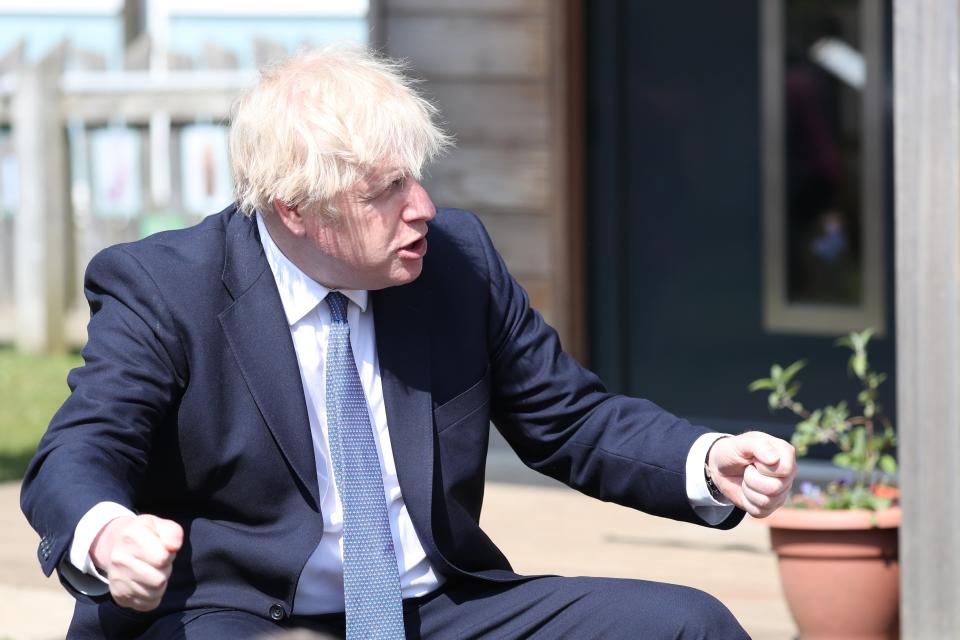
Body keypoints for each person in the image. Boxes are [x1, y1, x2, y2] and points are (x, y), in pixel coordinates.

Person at [21, 45, 796, 639]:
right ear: (295, 208)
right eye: (384, 191)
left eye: (416, 177)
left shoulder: (454, 261)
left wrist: (706, 460)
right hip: (236, 613)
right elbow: (81, 450)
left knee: (687, 625)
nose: (422, 206)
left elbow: (569, 419)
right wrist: (109, 533)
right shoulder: (167, 286)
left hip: (432, 607)